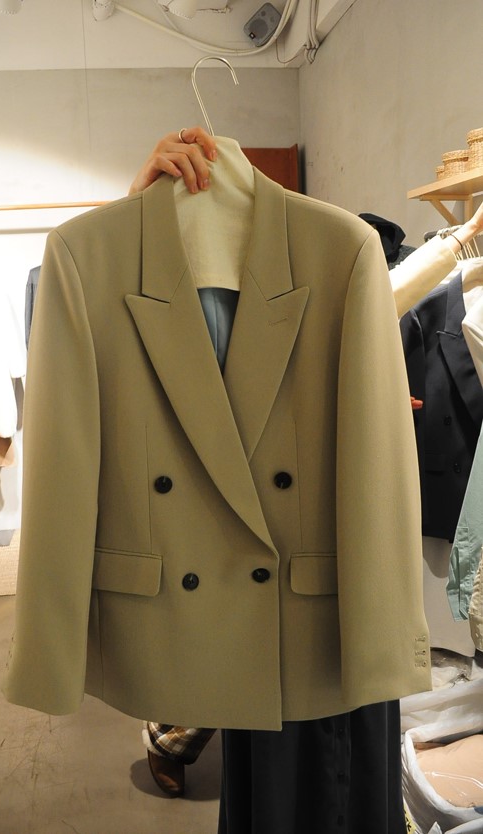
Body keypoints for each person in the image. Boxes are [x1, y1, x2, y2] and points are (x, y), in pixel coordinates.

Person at [131, 128, 483, 802]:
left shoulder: (311, 287)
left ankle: (180, 731)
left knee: (313, 721)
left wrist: (458, 246)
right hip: (255, 539)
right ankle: (171, 732)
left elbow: (381, 305)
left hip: (323, 536)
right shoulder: (234, 297)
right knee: (272, 716)